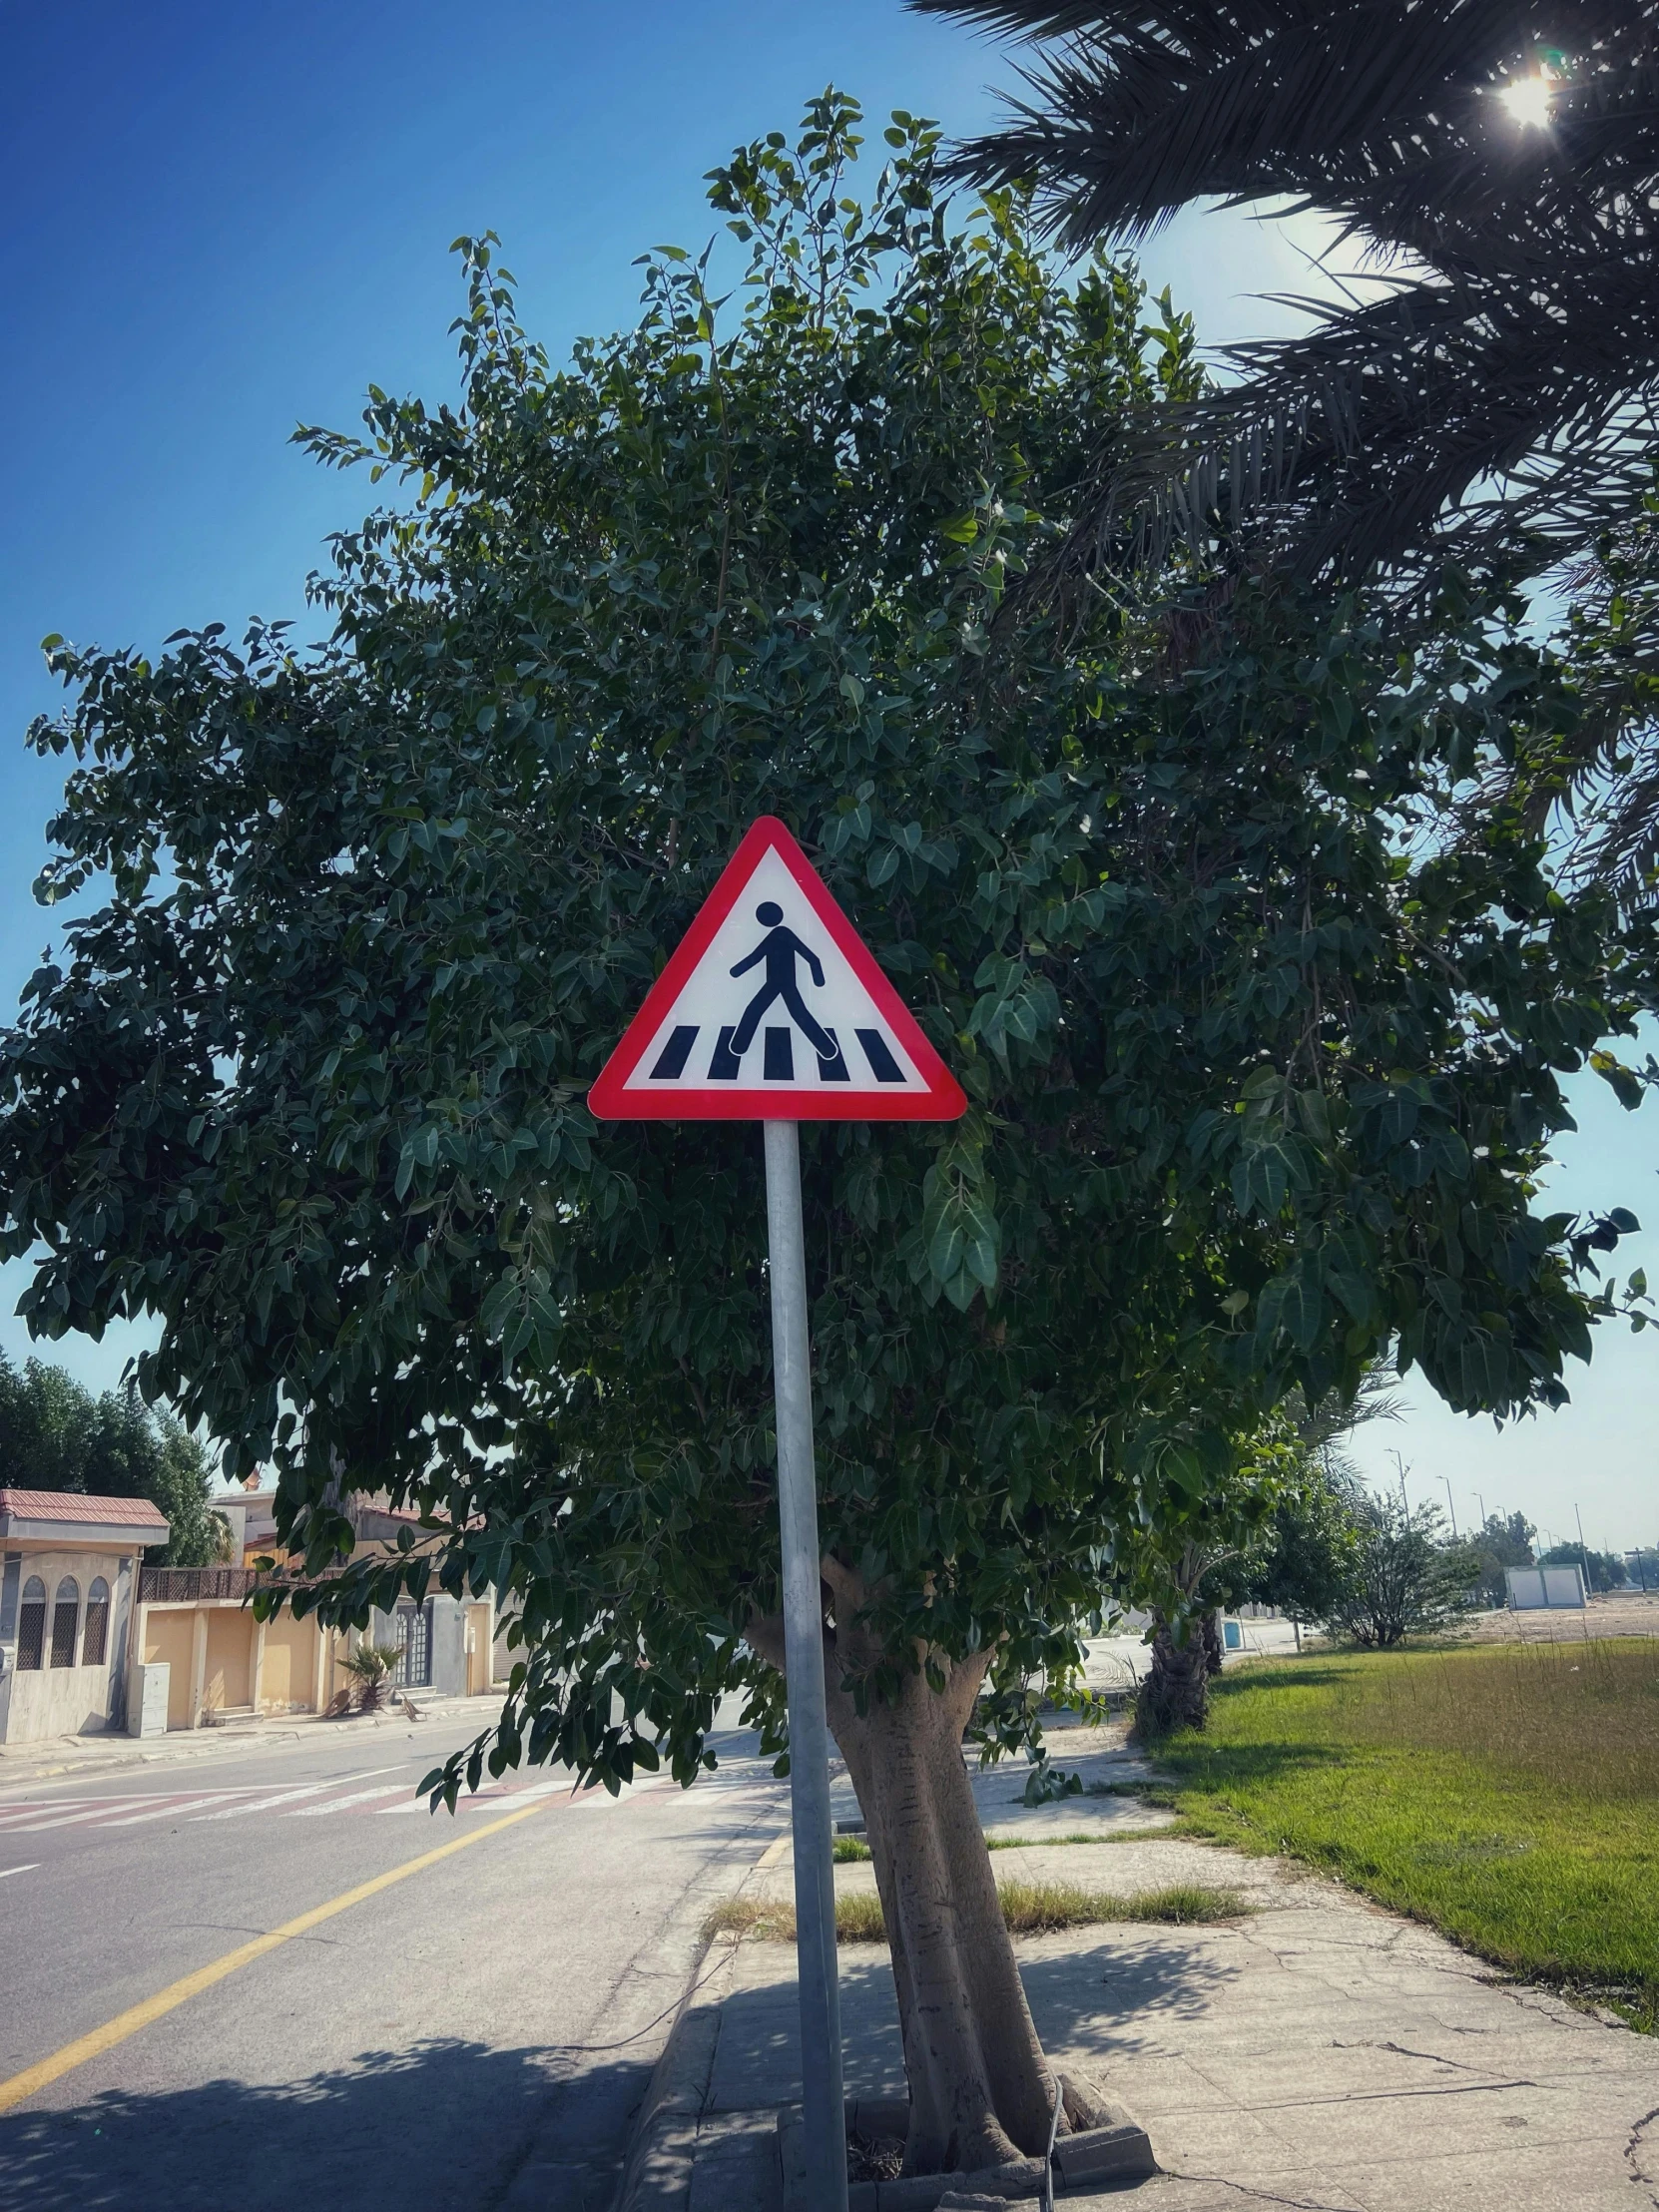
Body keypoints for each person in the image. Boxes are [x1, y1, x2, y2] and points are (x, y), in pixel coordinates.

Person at [729, 901, 840, 1062]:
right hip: (774, 983)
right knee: (763, 1010)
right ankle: (738, 1046)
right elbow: (757, 956)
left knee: (790, 1013)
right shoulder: (779, 934)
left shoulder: (781, 934)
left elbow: (809, 956)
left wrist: (819, 980)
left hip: (784, 983)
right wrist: (736, 971)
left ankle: (828, 1049)